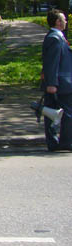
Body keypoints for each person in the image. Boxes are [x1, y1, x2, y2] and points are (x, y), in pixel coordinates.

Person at [41, 9, 72, 151]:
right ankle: (64, 142)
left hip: (58, 82)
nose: (66, 21)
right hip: (59, 83)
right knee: (65, 114)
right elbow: (52, 62)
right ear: (58, 22)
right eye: (63, 19)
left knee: (52, 113)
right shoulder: (55, 38)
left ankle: (54, 143)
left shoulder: (56, 37)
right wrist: (52, 83)